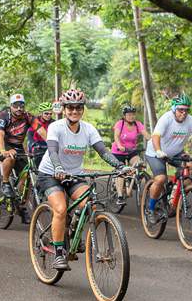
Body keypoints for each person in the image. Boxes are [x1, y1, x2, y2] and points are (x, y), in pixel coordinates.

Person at [36, 89, 128, 270]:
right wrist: (58, 167)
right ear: (64, 109)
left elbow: (103, 151)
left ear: (83, 109)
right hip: (50, 174)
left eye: (78, 108)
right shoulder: (56, 127)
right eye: (70, 107)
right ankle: (60, 253)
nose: (74, 111)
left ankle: (72, 231)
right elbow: (53, 150)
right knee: (61, 209)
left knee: (90, 205)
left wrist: (119, 166)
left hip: (74, 175)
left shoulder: (88, 129)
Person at [144, 93, 192, 223]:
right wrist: (159, 150)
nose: (184, 113)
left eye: (186, 110)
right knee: (160, 179)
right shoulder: (166, 119)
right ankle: (150, 209)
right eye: (180, 109)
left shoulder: (190, 120)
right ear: (174, 109)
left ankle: (176, 198)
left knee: (190, 167)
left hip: (176, 153)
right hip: (155, 152)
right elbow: (156, 136)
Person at [0, 93, 41, 203]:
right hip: (1, 144)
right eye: (15, 105)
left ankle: (20, 203)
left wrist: (52, 145)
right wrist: (3, 151)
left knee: (26, 174)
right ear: (11, 106)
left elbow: (41, 131)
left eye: (21, 105)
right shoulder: (3, 116)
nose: (19, 108)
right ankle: (5, 183)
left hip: (17, 146)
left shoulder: (28, 117)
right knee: (10, 157)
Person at [27, 102, 53, 168]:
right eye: (46, 113)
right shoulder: (35, 121)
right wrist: (32, 146)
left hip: (49, 145)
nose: (48, 115)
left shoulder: (53, 123)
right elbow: (30, 137)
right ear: (41, 113)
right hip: (37, 145)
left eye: (50, 114)